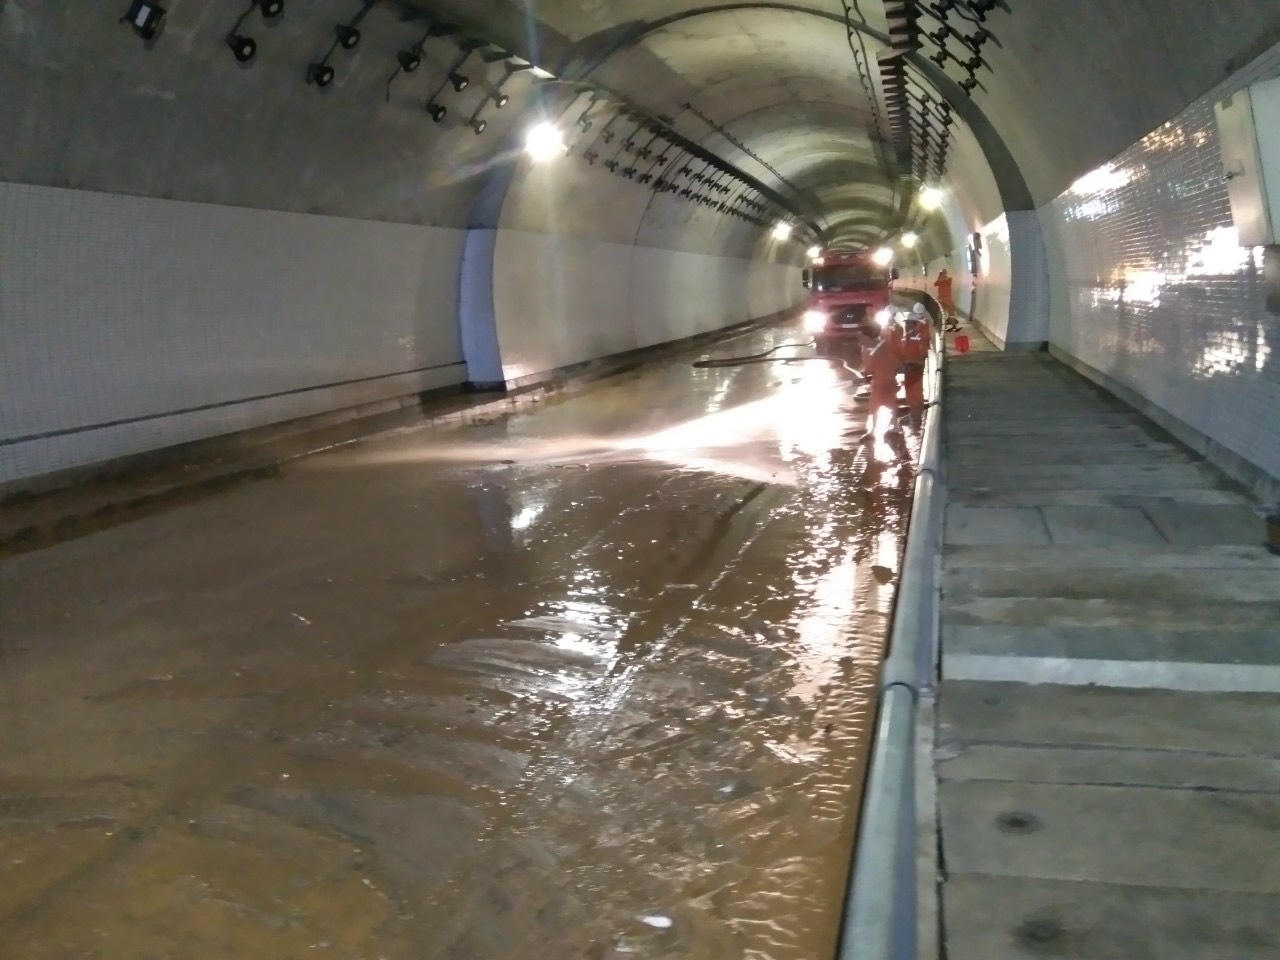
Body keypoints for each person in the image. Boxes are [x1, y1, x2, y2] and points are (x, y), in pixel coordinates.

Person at [902, 303, 931, 426]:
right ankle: (915, 413)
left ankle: (915, 416)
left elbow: (918, 346)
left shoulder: (914, 331)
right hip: (914, 362)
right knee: (915, 388)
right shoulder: (922, 327)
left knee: (912, 390)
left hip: (913, 363)